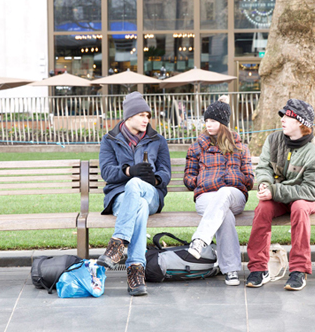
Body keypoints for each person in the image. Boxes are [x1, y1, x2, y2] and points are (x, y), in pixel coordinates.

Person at [245, 99, 315, 291]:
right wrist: (265, 186)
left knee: (299, 208)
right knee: (263, 208)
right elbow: (264, 166)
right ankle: (259, 268)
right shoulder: (273, 140)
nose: (282, 119)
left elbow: (311, 191)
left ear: (300, 122)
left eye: (288, 116)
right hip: (278, 196)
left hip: (303, 198)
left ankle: (298, 270)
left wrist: (275, 190)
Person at [97, 91, 171, 296]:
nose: (146, 119)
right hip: (121, 197)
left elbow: (166, 171)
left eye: (148, 116)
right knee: (139, 204)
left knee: (137, 187)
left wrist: (155, 180)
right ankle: (135, 270)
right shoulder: (110, 140)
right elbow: (107, 172)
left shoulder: (157, 140)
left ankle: (117, 244)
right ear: (129, 116)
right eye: (142, 115)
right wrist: (129, 172)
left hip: (151, 194)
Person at [183, 95, 254, 287]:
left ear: (223, 123)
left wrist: (236, 179)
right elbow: (189, 179)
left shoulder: (240, 147)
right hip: (206, 197)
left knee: (224, 193)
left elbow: (250, 179)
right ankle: (231, 270)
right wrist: (201, 180)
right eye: (206, 121)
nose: (208, 124)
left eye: (213, 121)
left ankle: (200, 239)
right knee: (226, 216)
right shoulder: (197, 147)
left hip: (234, 195)